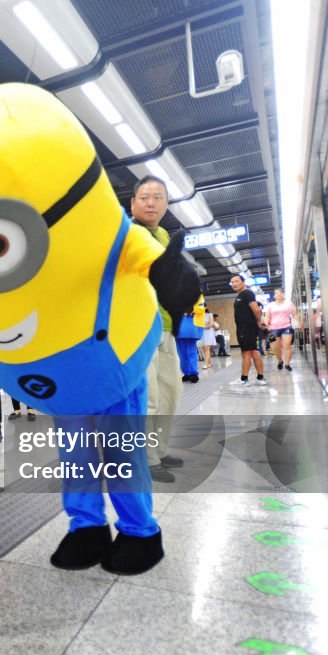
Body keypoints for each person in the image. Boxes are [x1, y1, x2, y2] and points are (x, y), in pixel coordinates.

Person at [130, 176, 183, 482]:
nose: (151, 203)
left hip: (166, 325)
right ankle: (144, 459)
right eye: (145, 197)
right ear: (133, 202)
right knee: (146, 397)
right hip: (139, 326)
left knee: (169, 393)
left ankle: (159, 450)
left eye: (158, 197)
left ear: (166, 203)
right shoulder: (125, 232)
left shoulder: (163, 234)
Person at [231, 274, 267, 385]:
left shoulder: (247, 293)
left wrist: (260, 320)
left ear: (243, 282)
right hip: (244, 328)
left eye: (236, 281)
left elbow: (255, 308)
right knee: (254, 352)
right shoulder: (240, 295)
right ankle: (260, 378)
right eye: (232, 282)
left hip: (247, 328)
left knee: (246, 352)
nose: (234, 284)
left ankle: (244, 379)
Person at [267, 288, 299, 371]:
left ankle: (287, 364)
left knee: (287, 345)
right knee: (275, 348)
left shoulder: (289, 304)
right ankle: (280, 361)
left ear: (283, 294)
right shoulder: (270, 305)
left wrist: (298, 322)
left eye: (281, 293)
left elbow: (295, 314)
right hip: (273, 328)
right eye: (277, 293)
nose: (279, 294)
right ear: (274, 296)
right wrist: (266, 325)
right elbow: (267, 317)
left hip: (287, 327)